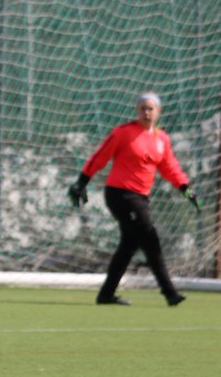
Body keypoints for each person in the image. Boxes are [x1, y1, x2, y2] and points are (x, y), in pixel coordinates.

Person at [68, 92, 200, 306]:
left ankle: (106, 294)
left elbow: (170, 168)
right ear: (137, 111)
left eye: (150, 108)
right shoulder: (123, 133)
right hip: (120, 194)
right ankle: (170, 293)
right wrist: (81, 182)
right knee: (150, 238)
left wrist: (186, 190)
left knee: (129, 245)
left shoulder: (162, 139)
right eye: (142, 108)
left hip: (141, 197)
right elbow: (99, 156)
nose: (146, 112)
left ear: (159, 112)